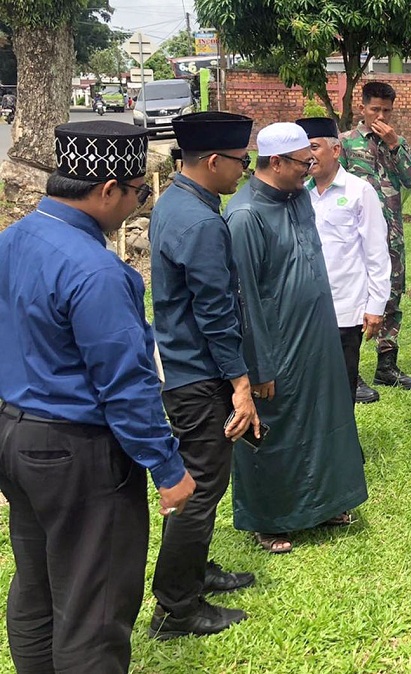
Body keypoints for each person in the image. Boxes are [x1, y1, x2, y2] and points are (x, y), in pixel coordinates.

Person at [0, 120, 196, 672]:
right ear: (109, 189)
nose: (138, 204)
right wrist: (167, 467)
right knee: (95, 605)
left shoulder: (13, 240)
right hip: (76, 452)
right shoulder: (97, 271)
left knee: (37, 585)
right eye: (138, 193)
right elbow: (127, 386)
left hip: (14, 435)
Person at [226, 122, 369, 554]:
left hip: (316, 331)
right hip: (277, 342)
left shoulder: (299, 196)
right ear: (275, 162)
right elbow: (244, 299)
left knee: (324, 416)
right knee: (277, 427)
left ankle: (324, 504)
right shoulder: (246, 215)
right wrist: (258, 365)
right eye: (303, 163)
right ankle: (270, 518)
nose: (310, 170)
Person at [147, 112, 259, 641]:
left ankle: (195, 571)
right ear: (213, 161)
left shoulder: (174, 201)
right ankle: (176, 608)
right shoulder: (201, 223)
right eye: (241, 160)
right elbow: (215, 312)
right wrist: (240, 383)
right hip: (199, 373)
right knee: (200, 485)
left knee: (204, 483)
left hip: (181, 363)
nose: (245, 169)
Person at [301, 116, 391, 404]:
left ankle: (343, 434)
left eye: (314, 147)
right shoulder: (301, 194)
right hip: (306, 308)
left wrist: (375, 306)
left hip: (345, 307)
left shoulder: (359, 191)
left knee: (342, 388)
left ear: (336, 150)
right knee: (310, 387)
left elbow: (376, 252)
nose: (308, 156)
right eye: (304, 149)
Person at [340, 81, 411, 395]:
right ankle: (351, 373)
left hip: (392, 236)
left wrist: (395, 144)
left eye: (387, 110)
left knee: (392, 297)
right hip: (356, 239)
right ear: (362, 108)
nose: (381, 116)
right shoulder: (345, 143)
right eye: (375, 109)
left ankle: (386, 366)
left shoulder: (397, 142)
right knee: (358, 300)